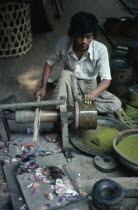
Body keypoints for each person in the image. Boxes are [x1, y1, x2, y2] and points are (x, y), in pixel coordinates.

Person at [36, 11, 121, 142]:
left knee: (115, 103)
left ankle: (73, 109)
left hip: (90, 87)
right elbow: (49, 64)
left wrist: (93, 93)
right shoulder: (63, 42)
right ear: (73, 34)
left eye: (89, 37)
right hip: (70, 83)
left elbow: (106, 80)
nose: (84, 41)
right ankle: (56, 127)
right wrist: (43, 87)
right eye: (80, 37)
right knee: (65, 74)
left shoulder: (101, 49)